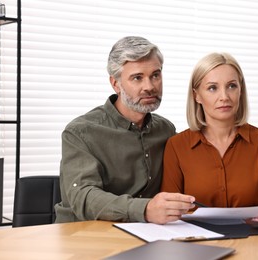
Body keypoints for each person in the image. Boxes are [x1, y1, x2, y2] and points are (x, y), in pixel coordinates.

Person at [55, 36, 196, 225]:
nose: (150, 86)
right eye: (137, 78)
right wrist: (145, 210)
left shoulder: (165, 130)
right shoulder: (80, 132)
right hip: (84, 236)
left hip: (147, 234)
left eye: (156, 75)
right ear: (115, 84)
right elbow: (83, 196)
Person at [160, 52, 258, 213]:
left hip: (252, 236)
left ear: (241, 90)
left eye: (232, 86)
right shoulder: (177, 146)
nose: (224, 97)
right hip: (196, 236)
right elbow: (169, 205)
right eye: (212, 88)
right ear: (196, 95)